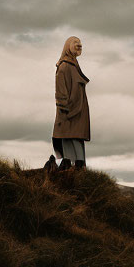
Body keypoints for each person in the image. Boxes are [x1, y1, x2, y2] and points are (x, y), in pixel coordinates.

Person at [52, 36, 90, 170]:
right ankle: (71, 167)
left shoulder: (73, 65)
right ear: (68, 46)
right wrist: (64, 109)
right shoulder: (64, 66)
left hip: (77, 110)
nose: (79, 45)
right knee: (68, 137)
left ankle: (77, 167)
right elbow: (61, 91)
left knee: (74, 137)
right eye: (75, 43)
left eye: (80, 43)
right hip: (69, 111)